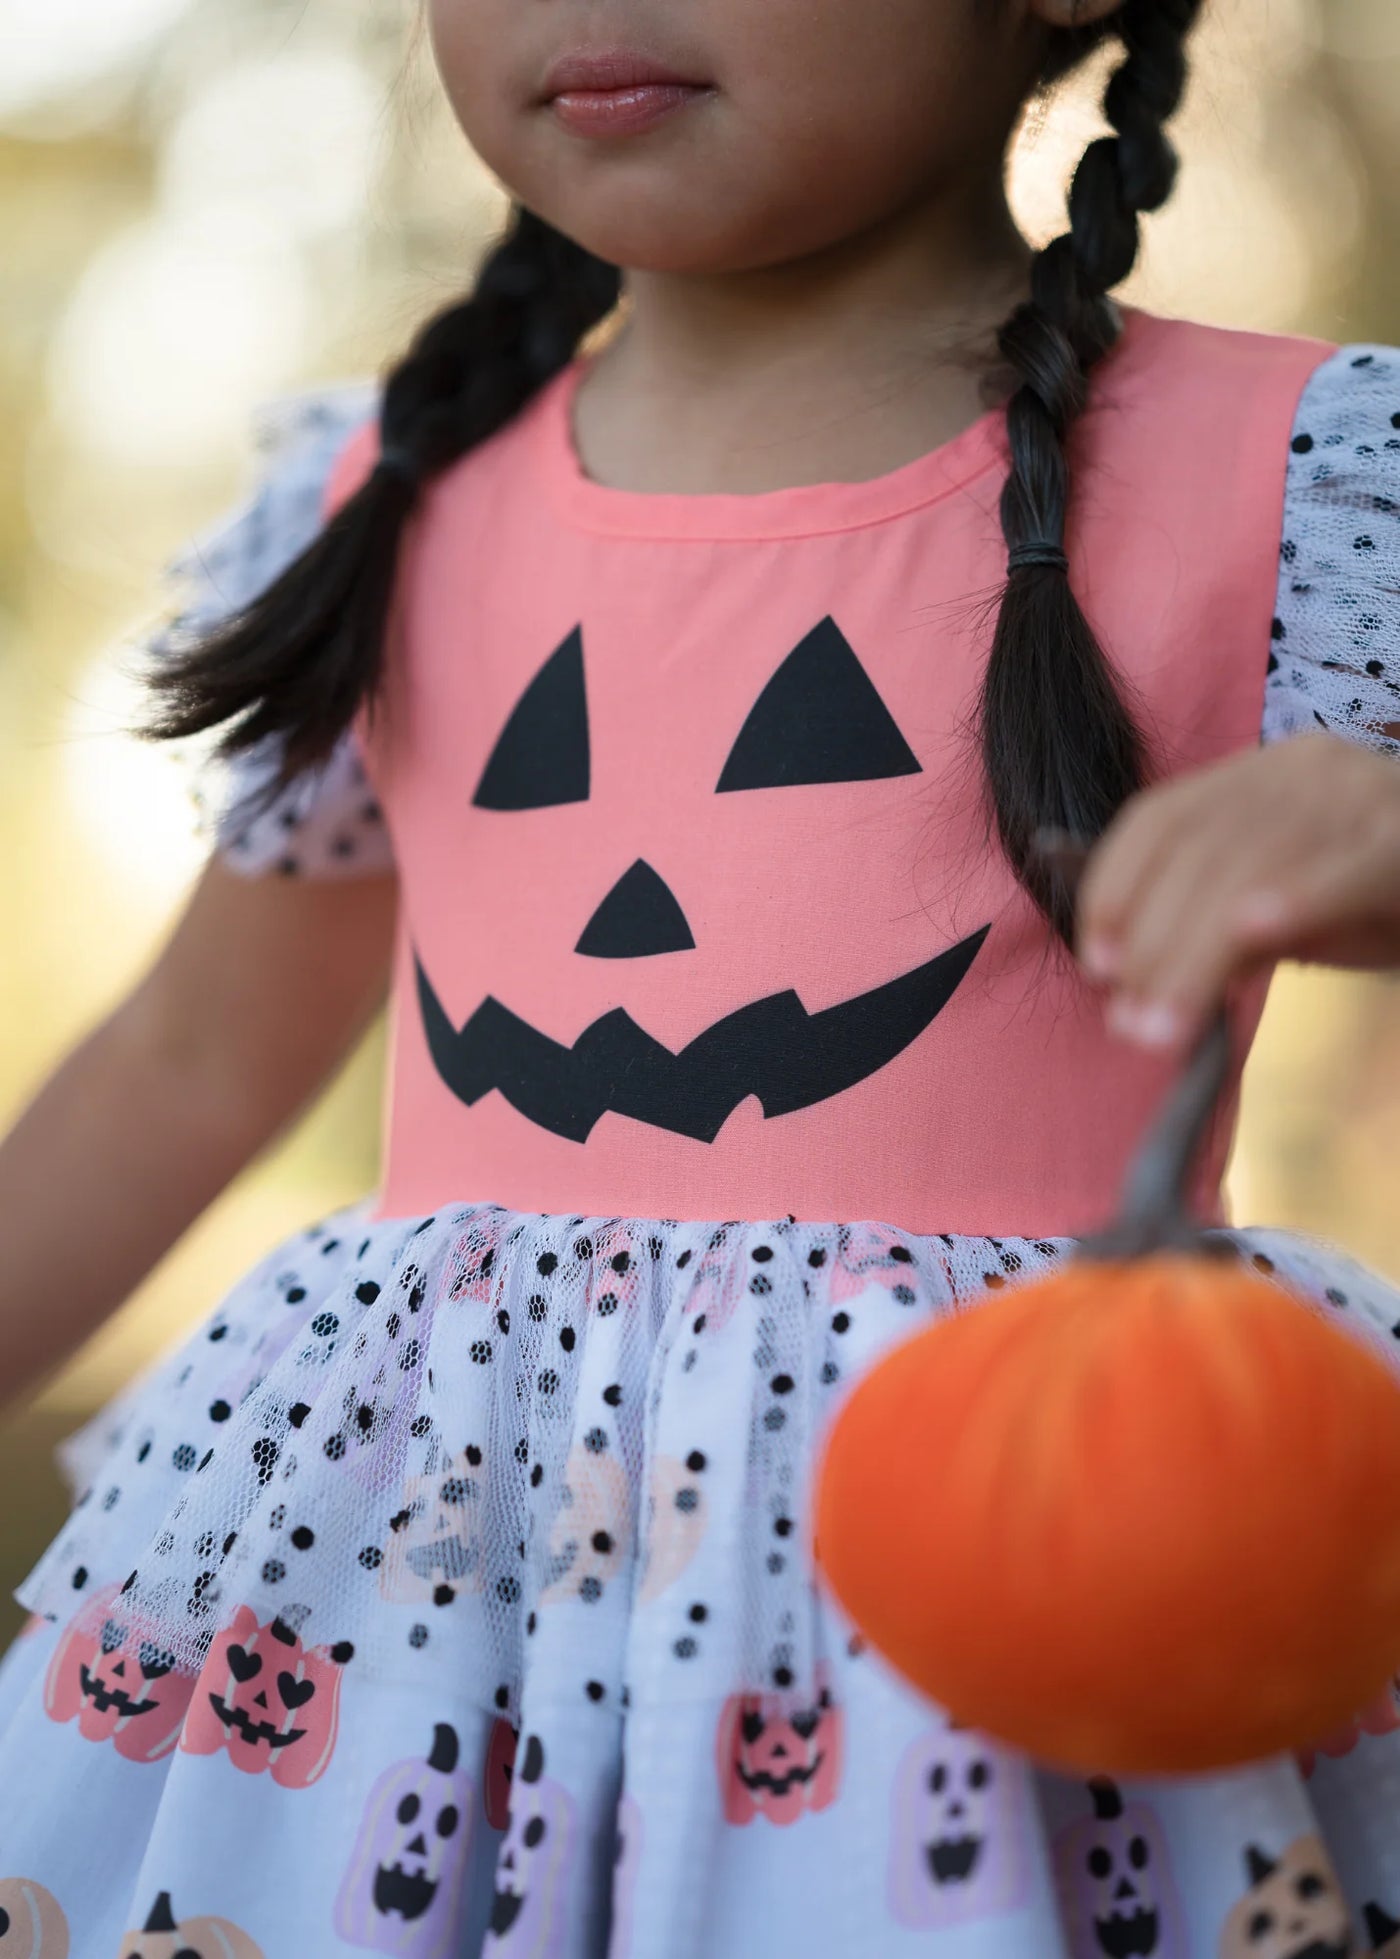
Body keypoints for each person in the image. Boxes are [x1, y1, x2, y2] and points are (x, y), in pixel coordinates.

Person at [1, 0, 1399, 1951]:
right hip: (429, 1616)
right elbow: (188, 1054)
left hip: (1003, 1563)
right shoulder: (381, 497)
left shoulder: (1288, 474)